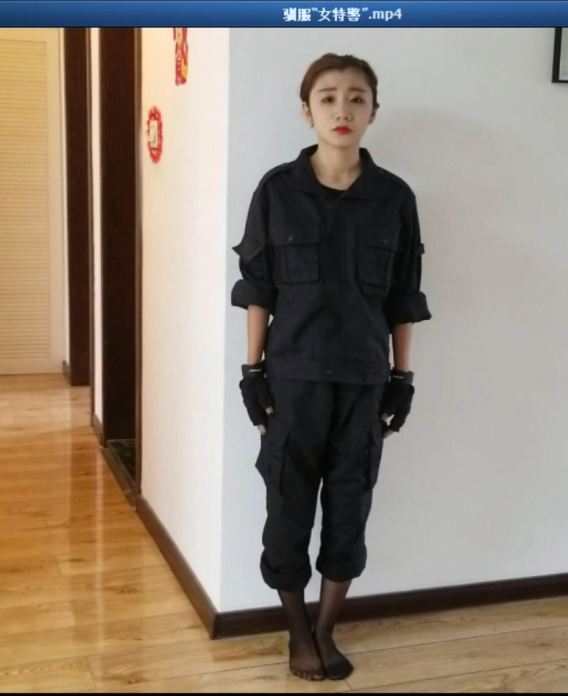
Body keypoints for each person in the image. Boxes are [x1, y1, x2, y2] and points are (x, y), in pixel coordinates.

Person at [230, 53, 432, 682]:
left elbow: (404, 296)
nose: (342, 109)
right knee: (287, 510)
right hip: (292, 383)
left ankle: (325, 629)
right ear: (307, 109)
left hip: (364, 383)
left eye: (356, 98)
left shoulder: (394, 198)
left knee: (350, 509)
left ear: (373, 111)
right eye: (327, 97)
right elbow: (257, 288)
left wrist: (402, 377)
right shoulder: (276, 191)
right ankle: (296, 630)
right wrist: (252, 372)